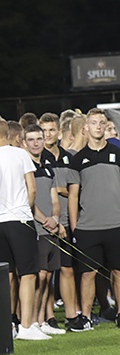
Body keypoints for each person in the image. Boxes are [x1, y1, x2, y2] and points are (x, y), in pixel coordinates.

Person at [0, 118, 58, 341]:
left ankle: (9, 324)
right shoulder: (20, 154)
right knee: (28, 274)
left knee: (8, 275)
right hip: (20, 220)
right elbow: (32, 189)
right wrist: (24, 208)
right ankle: (27, 325)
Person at [68, 107, 120, 329]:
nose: (98, 127)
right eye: (94, 123)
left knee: (118, 272)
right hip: (88, 227)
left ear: (106, 126)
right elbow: (72, 196)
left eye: (102, 123)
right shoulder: (78, 159)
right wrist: (74, 228)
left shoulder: (117, 154)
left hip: (116, 224)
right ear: (85, 128)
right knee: (88, 274)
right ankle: (86, 317)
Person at [23, 125, 66, 336]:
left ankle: (41, 320)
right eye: (31, 139)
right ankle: (30, 321)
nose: (36, 143)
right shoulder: (24, 167)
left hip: (51, 228)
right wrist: (45, 220)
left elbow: (54, 199)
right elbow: (27, 201)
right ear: (24, 143)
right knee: (38, 276)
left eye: (39, 138)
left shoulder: (49, 166)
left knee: (48, 276)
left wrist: (56, 219)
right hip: (36, 229)